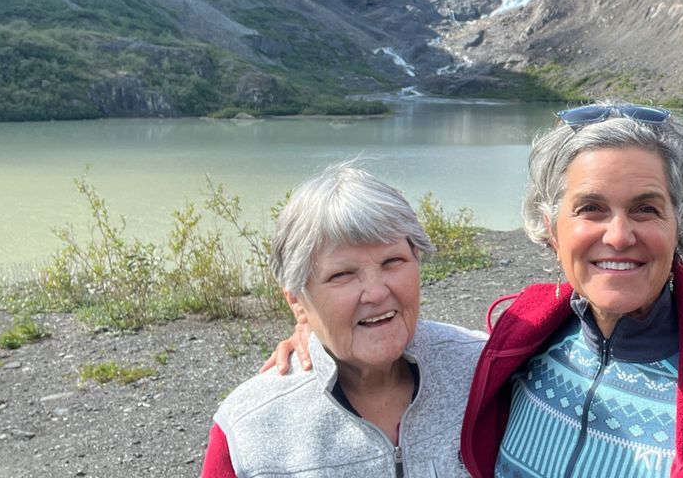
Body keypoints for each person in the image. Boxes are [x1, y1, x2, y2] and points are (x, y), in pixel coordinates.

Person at [459, 103, 683, 477]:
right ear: (551, 229)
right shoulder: (521, 341)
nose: (620, 236)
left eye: (646, 209)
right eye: (591, 208)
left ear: (680, 225)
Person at [201, 161, 484, 478]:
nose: (376, 293)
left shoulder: (485, 370)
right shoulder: (250, 428)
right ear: (297, 300)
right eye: (343, 275)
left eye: (393, 261)